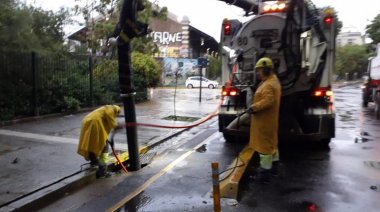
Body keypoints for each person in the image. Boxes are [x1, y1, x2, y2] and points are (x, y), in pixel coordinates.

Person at [248, 57, 281, 184]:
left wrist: (253, 107)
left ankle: (264, 176)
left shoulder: (268, 85)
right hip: (271, 120)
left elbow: (268, 100)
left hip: (264, 122)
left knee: (264, 149)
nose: (257, 73)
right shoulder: (274, 81)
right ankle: (275, 170)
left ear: (266, 70)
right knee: (273, 145)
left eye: (259, 71)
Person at [77, 105, 121, 178]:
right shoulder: (111, 109)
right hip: (94, 123)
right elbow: (112, 122)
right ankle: (102, 172)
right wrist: (117, 126)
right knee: (104, 146)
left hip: (87, 121)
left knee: (91, 143)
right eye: (117, 114)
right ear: (117, 111)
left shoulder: (103, 109)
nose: (116, 116)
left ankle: (94, 161)